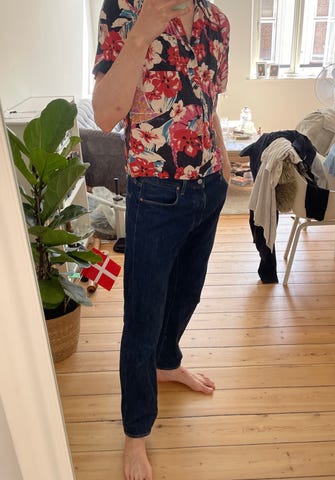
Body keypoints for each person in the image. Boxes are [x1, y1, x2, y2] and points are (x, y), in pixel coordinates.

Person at [92, 1, 230, 478]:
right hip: (155, 195)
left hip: (209, 187)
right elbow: (105, 115)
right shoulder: (124, 10)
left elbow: (210, 104)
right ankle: (136, 434)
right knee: (142, 319)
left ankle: (167, 364)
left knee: (186, 294)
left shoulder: (217, 21)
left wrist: (224, 168)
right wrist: (141, 34)